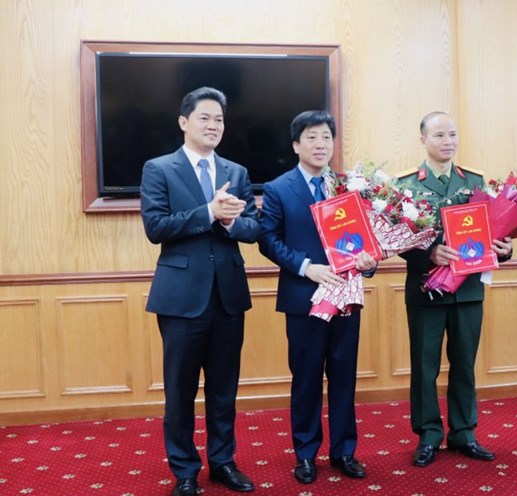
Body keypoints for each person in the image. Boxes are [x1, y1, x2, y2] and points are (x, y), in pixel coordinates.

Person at [140, 87, 259, 496]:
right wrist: (208, 212)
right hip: (180, 298)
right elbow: (156, 227)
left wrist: (230, 222)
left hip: (228, 296)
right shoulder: (159, 168)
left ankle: (223, 462)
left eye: (219, 119)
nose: (213, 125)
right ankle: (185, 471)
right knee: (180, 391)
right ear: (184, 122)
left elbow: (253, 228)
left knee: (224, 389)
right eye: (204, 118)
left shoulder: (236, 172)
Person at [258, 110, 378, 484]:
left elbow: (367, 239)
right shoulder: (278, 188)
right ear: (296, 145)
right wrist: (306, 267)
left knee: (344, 377)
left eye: (326, 136)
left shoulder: (349, 187)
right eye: (311, 137)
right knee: (307, 378)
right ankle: (306, 454)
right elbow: (267, 240)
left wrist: (369, 261)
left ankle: (344, 451)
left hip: (346, 297)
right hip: (304, 297)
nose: (320, 144)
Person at [396, 111, 513, 468]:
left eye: (452, 134)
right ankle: (429, 434)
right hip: (425, 290)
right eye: (439, 135)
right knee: (425, 367)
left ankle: (464, 432)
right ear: (423, 140)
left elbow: (493, 229)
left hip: (468, 291)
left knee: (464, 364)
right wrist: (428, 254)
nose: (448, 142)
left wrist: (505, 248)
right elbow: (397, 239)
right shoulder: (406, 185)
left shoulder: (475, 181)